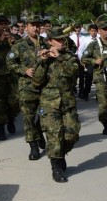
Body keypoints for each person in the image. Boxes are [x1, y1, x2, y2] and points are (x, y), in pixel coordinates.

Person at [32, 27, 81, 183]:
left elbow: (73, 72)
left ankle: (60, 154)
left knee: (72, 134)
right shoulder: (42, 57)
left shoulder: (69, 57)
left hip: (67, 101)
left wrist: (59, 57)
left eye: (63, 39)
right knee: (54, 136)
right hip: (49, 102)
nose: (62, 42)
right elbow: (37, 80)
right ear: (49, 41)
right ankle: (56, 167)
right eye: (58, 39)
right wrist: (43, 62)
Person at [6, 15, 48, 160]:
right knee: (28, 118)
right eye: (32, 25)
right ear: (26, 27)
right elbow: (10, 63)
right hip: (27, 87)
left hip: (45, 86)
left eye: (38, 25)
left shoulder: (46, 43)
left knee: (45, 115)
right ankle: (33, 147)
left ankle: (39, 132)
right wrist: (24, 70)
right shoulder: (19, 45)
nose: (35, 28)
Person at [77, 24, 98, 101]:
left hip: (98, 61)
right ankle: (86, 93)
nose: (94, 32)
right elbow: (80, 51)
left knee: (99, 79)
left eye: (95, 31)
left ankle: (98, 95)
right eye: (92, 31)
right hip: (89, 62)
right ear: (89, 31)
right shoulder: (86, 40)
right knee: (88, 78)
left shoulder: (99, 39)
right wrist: (82, 60)